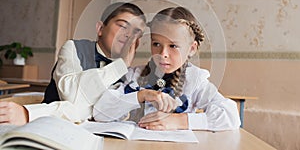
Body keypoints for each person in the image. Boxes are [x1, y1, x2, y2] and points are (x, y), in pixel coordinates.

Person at [0, 2, 177, 125]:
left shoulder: (130, 74)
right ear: (100, 29)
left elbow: (106, 112)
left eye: (136, 32)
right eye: (123, 26)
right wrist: (119, 66)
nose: (128, 35)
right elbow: (74, 101)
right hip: (50, 129)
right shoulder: (72, 48)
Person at [93, 7, 241, 131]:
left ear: (192, 48)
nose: (163, 54)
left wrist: (179, 121)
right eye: (156, 44)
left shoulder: (195, 80)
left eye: (173, 46)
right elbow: (100, 112)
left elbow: (232, 116)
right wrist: (141, 95)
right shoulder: (134, 75)